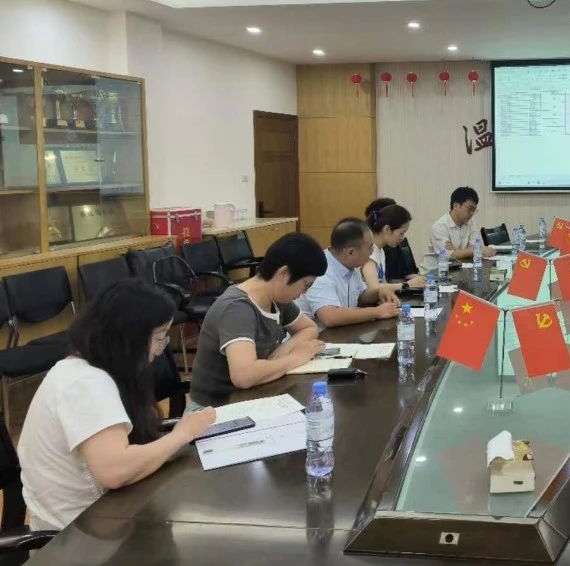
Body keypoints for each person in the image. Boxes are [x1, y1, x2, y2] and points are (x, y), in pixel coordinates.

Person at [18, 280, 217, 531]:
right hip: (76, 535)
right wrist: (182, 434)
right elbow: (115, 470)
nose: (159, 350)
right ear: (127, 338)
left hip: (104, 516)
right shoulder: (85, 384)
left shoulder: (94, 369)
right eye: (158, 339)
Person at [190, 232, 328, 407]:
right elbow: (244, 376)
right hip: (215, 409)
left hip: (253, 397)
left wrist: (285, 349)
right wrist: (296, 357)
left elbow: (309, 328)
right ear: (284, 273)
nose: (304, 292)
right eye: (306, 285)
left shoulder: (276, 298)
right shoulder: (237, 308)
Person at [297, 217, 401, 331]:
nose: (372, 252)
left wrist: (379, 292)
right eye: (370, 247)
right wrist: (378, 312)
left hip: (342, 334)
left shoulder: (349, 264)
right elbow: (330, 317)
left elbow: (360, 296)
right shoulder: (321, 270)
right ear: (351, 252)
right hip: (317, 337)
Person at [363, 203, 425, 290]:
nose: (403, 238)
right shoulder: (370, 252)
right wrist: (407, 285)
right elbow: (374, 287)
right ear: (387, 229)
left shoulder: (380, 250)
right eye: (401, 233)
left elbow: (383, 284)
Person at [429, 186, 495, 265]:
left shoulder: (470, 222)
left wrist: (457, 251)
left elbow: (477, 246)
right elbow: (448, 256)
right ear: (456, 205)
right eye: (470, 209)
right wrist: (472, 250)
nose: (472, 213)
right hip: (434, 270)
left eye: (474, 210)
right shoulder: (439, 226)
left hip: (457, 267)